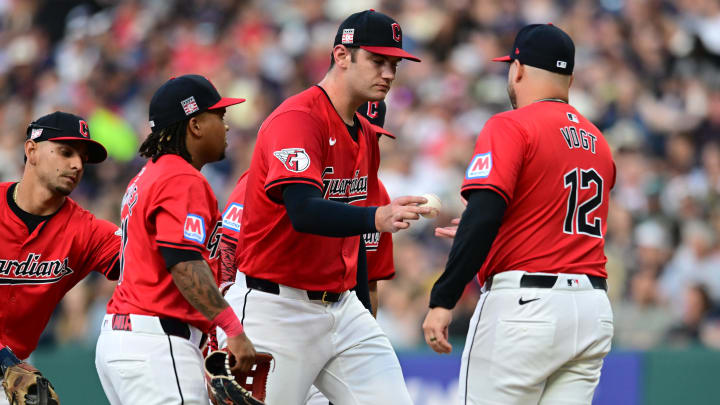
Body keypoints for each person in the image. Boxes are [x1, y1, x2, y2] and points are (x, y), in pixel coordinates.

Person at [222, 10, 428, 404]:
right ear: (341, 54)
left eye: (394, 64)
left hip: (343, 308)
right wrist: (377, 216)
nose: (388, 73)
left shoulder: (366, 134)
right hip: (277, 307)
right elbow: (304, 211)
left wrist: (365, 315)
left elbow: (356, 244)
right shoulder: (297, 119)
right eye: (377, 60)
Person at [422, 24, 616, 405]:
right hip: (592, 311)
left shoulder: (510, 125)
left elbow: (484, 213)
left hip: (526, 309)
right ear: (570, 79)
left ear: (518, 69)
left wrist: (443, 298)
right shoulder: (600, 142)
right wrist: (499, 228)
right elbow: (551, 213)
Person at [94, 74, 256, 405]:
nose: (226, 127)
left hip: (130, 338)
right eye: (219, 116)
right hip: (156, 340)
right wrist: (231, 329)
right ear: (195, 125)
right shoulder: (181, 178)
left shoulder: (150, 174)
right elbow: (183, 265)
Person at [0, 111, 120, 404]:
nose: (77, 164)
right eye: (66, 152)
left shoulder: (86, 231)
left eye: (82, 157)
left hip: (12, 367)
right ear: (32, 150)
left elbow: (152, 264)